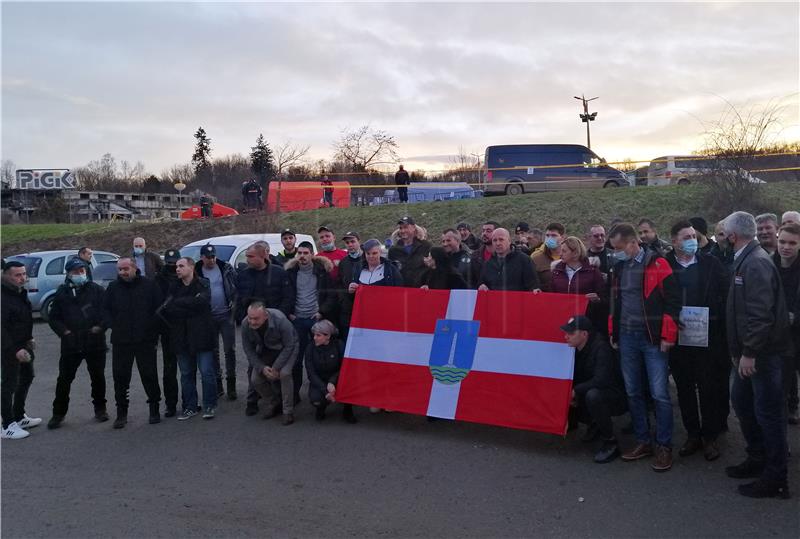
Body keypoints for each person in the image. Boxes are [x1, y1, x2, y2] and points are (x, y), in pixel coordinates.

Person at [722, 211, 792, 498]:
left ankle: (776, 477)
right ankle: (757, 458)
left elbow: (760, 315)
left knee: (768, 414)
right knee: (742, 401)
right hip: (750, 354)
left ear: (732, 236)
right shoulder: (747, 259)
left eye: (725, 234)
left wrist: (749, 352)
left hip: (763, 355)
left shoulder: (755, 263)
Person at [608, 223, 681, 472]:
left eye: (618, 248)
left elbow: (673, 301)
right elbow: (614, 303)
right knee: (632, 391)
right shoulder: (618, 267)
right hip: (627, 336)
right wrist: (613, 331)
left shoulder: (658, 263)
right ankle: (643, 440)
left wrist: (668, 334)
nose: (615, 252)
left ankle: (664, 445)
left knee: (659, 393)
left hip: (652, 338)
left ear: (632, 243)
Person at [664, 220, 729, 461]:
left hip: (708, 336)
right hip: (679, 338)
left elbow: (725, 291)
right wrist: (670, 318)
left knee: (708, 388)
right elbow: (659, 297)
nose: (691, 240)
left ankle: (710, 437)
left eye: (693, 236)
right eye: (685, 237)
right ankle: (692, 435)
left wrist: (715, 318)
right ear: (674, 241)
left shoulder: (711, 263)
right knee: (684, 389)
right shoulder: (665, 265)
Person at [46, 258, 108, 429]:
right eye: (76, 272)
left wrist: (100, 327)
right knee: (64, 380)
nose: (80, 274)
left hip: (94, 342)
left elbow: (106, 313)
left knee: (97, 377)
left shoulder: (96, 290)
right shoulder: (62, 292)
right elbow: (54, 318)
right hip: (71, 344)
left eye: (82, 271)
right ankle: (58, 413)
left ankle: (100, 409)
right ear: (68, 274)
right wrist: (64, 332)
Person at [103, 258, 163, 429]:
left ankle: (154, 409)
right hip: (121, 341)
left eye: (126, 269)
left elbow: (159, 309)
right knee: (120, 377)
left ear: (135, 268)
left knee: (149, 375)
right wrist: (112, 324)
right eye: (120, 269)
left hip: (145, 340)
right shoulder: (113, 288)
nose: (123, 272)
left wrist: (152, 331)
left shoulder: (149, 285)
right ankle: (121, 414)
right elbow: (105, 309)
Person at [235, 241, 294, 416]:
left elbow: (288, 298)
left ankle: (288, 401)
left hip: (275, 326)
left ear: (264, 255)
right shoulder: (243, 275)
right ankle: (253, 400)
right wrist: (241, 318)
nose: (247, 259)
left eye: (251, 256)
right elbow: (238, 298)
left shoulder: (279, 273)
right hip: (252, 326)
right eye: (247, 256)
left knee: (282, 366)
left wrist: (278, 318)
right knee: (255, 365)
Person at [561, 315, 627, 463]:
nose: (566, 337)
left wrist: (576, 391)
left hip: (615, 395)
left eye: (571, 333)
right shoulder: (574, 349)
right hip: (594, 389)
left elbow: (601, 380)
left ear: (584, 334)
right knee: (577, 389)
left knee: (592, 395)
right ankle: (592, 424)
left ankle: (610, 442)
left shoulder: (601, 348)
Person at [161, 257, 218, 420]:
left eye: (181, 266)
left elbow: (202, 303)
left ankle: (209, 405)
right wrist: (190, 303)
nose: (177, 269)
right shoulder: (173, 286)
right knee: (186, 373)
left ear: (191, 267)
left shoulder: (203, 283)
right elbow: (169, 308)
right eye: (176, 266)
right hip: (181, 336)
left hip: (202, 335)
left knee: (206, 372)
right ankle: (190, 406)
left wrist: (181, 304)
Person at [284, 241, 337, 404]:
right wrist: (289, 313)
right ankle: (295, 394)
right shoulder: (291, 272)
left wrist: (322, 312)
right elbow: (285, 294)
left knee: (320, 355)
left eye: (305, 253)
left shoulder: (321, 271)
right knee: (296, 358)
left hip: (316, 319)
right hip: (297, 319)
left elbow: (331, 295)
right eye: (299, 253)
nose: (302, 256)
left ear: (312, 255)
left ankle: (322, 391)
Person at [241, 302, 298, 425]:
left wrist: (276, 367)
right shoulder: (245, 324)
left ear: (265, 316)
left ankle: (288, 411)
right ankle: (274, 402)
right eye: (250, 318)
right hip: (267, 349)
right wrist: (261, 368)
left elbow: (289, 345)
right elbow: (248, 350)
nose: (252, 322)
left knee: (285, 374)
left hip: (288, 347)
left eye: (256, 319)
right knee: (256, 379)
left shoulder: (280, 320)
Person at [1, 261, 40, 439]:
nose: (22, 278)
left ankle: (18, 415)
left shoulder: (19, 293)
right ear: (6, 276)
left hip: (23, 344)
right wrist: (14, 349)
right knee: (9, 384)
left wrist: (29, 337)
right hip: (9, 348)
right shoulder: (3, 296)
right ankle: (6, 425)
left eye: (24, 274)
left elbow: (23, 319)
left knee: (27, 376)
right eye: (18, 275)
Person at [195, 244, 238, 401]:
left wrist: (234, 302)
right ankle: (218, 385)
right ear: (202, 257)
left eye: (213, 256)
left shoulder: (225, 268)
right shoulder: (197, 271)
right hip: (209, 318)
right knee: (213, 352)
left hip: (226, 315)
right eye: (208, 257)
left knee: (230, 350)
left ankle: (231, 385)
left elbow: (235, 287)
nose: (212, 260)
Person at [550, 236, 606, 333]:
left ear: (575, 253)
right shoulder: (556, 272)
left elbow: (604, 297)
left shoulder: (592, 271)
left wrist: (597, 299)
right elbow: (551, 295)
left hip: (585, 322)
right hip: (562, 320)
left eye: (564, 251)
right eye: (560, 250)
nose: (560, 254)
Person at [304, 319, 356, 423]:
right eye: (314, 335)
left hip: (337, 378)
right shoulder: (310, 348)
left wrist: (333, 381)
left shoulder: (339, 345)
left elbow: (345, 367)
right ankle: (321, 407)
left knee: (350, 382)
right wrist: (325, 390)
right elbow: (311, 373)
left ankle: (348, 410)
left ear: (327, 336)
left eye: (318, 335)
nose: (314, 338)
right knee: (316, 399)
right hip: (320, 380)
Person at [773, 223, 800, 424]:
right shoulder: (768, 264)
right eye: (782, 241)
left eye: (792, 243)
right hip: (779, 335)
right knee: (780, 386)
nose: (786, 247)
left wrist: (795, 316)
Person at [154, 249, 181, 417]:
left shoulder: (184, 275)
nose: (172, 266)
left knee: (188, 368)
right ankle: (170, 404)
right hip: (166, 329)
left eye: (175, 263)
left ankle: (189, 401)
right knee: (169, 369)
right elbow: (155, 305)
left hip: (184, 327)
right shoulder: (158, 279)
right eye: (170, 262)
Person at [388, 216, 432, 287]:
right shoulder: (393, 250)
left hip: (421, 290)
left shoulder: (426, 246)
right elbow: (390, 272)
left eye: (405, 227)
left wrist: (428, 284)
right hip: (401, 292)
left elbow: (432, 268)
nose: (403, 231)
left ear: (414, 228)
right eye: (400, 228)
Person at [337, 231, 363, 342]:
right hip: (347, 310)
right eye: (347, 243)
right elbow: (339, 284)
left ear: (359, 242)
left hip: (363, 308)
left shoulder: (367, 259)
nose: (350, 245)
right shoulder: (343, 262)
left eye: (352, 241)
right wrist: (343, 298)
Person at [531, 222, 565, 291]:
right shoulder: (536, 257)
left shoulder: (570, 257)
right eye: (547, 235)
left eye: (553, 235)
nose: (549, 238)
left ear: (562, 238)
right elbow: (531, 281)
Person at [469, 221, 499, 288]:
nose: (484, 234)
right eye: (483, 231)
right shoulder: (475, 256)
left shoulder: (505, 255)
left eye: (488, 231)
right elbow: (471, 281)